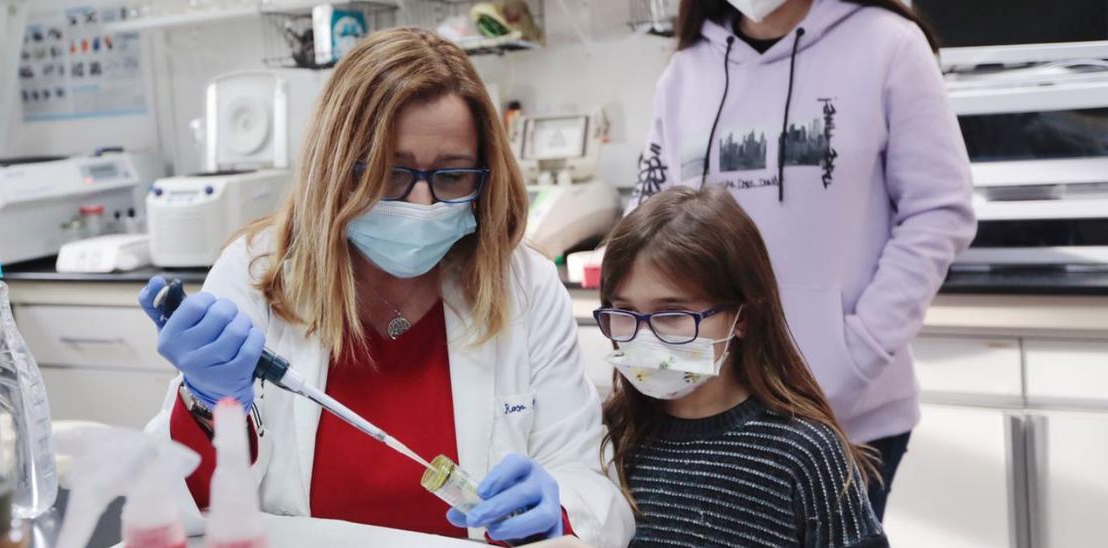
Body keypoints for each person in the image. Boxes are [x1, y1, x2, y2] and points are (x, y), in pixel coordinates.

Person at [137, 27, 633, 546]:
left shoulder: (523, 287)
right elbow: (187, 512)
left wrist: (559, 507)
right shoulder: (259, 274)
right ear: (334, 170)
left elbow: (590, 485)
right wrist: (206, 404)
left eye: (452, 176)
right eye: (390, 175)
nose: (422, 205)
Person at [633, 0, 976, 518]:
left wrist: (854, 353)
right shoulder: (686, 71)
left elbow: (939, 212)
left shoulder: (888, 44)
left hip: (847, 417)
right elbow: (652, 228)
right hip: (710, 414)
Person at [600, 186, 888, 547]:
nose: (644, 336)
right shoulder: (611, 436)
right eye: (625, 312)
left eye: (672, 314)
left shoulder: (803, 452)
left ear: (743, 316)